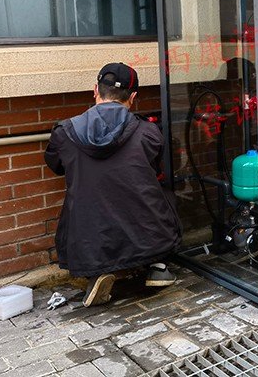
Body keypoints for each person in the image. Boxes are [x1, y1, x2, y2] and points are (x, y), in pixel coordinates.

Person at [45, 62, 181, 306]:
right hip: (144, 233)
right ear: (133, 97)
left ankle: (98, 273)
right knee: (161, 192)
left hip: (89, 237)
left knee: (87, 201)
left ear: (95, 90)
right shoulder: (148, 132)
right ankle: (158, 265)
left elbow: (55, 165)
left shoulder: (64, 132)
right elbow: (156, 168)